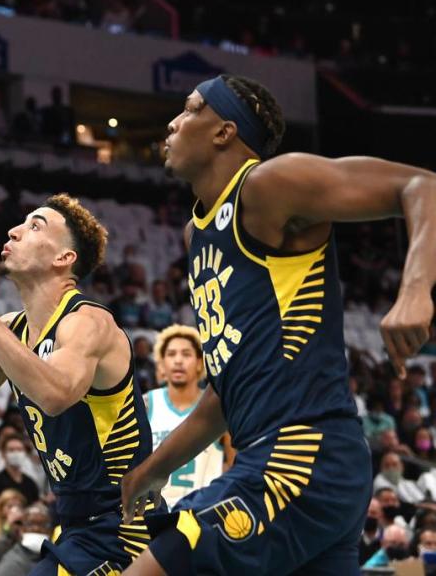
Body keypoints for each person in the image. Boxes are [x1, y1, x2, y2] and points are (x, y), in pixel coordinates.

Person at [120, 74, 436, 575]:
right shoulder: (196, 235)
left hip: (299, 455)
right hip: (296, 463)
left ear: (223, 131)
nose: (173, 123)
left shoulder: (269, 184)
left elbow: (422, 186)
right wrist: (149, 472)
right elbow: (224, 395)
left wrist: (416, 290)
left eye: (189, 109)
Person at [0, 195, 164, 575]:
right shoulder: (9, 330)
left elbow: (55, 395)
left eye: (36, 226)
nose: (15, 231)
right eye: (22, 223)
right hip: (75, 525)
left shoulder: (88, 323)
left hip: (125, 526)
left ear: (63, 259)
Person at [144, 324, 233, 508]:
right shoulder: (146, 404)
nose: (178, 361)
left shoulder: (217, 407)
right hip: (153, 518)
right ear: (161, 364)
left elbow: (234, 465)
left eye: (186, 354)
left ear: (200, 362)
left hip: (202, 517)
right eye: (171, 354)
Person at [0, 503, 54, 576]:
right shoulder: (12, 563)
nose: (36, 529)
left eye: (43, 524)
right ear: (22, 529)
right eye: (30, 524)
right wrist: (7, 527)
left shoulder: (56, 558)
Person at [0, 434, 40, 506]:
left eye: (19, 449)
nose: (16, 453)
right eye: (11, 450)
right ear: (3, 454)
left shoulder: (30, 483)